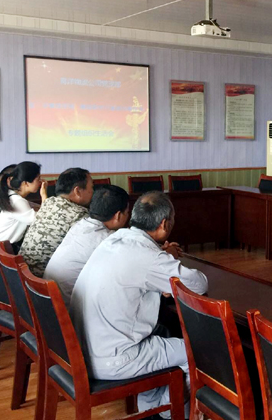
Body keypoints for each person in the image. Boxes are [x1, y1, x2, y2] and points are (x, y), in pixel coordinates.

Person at [70, 191, 208, 418]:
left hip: (83, 351)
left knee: (159, 338)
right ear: (164, 224)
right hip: (113, 359)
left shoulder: (113, 240)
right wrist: (167, 272)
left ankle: (153, 409)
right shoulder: (147, 256)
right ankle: (170, 413)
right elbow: (198, 284)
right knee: (195, 353)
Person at [44, 185, 130, 307]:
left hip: (48, 302)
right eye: (127, 212)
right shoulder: (107, 240)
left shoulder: (80, 225)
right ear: (118, 216)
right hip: (66, 311)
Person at [20, 167, 94, 276]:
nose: (93, 192)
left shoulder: (49, 202)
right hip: (43, 280)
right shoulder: (79, 215)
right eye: (91, 187)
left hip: (23, 274)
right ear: (77, 191)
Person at [0, 162, 47, 251]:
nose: (41, 181)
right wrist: (44, 194)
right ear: (26, 183)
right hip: (0, 251)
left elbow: (36, 208)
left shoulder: (10, 196)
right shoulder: (17, 201)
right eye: (38, 178)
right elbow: (44, 221)